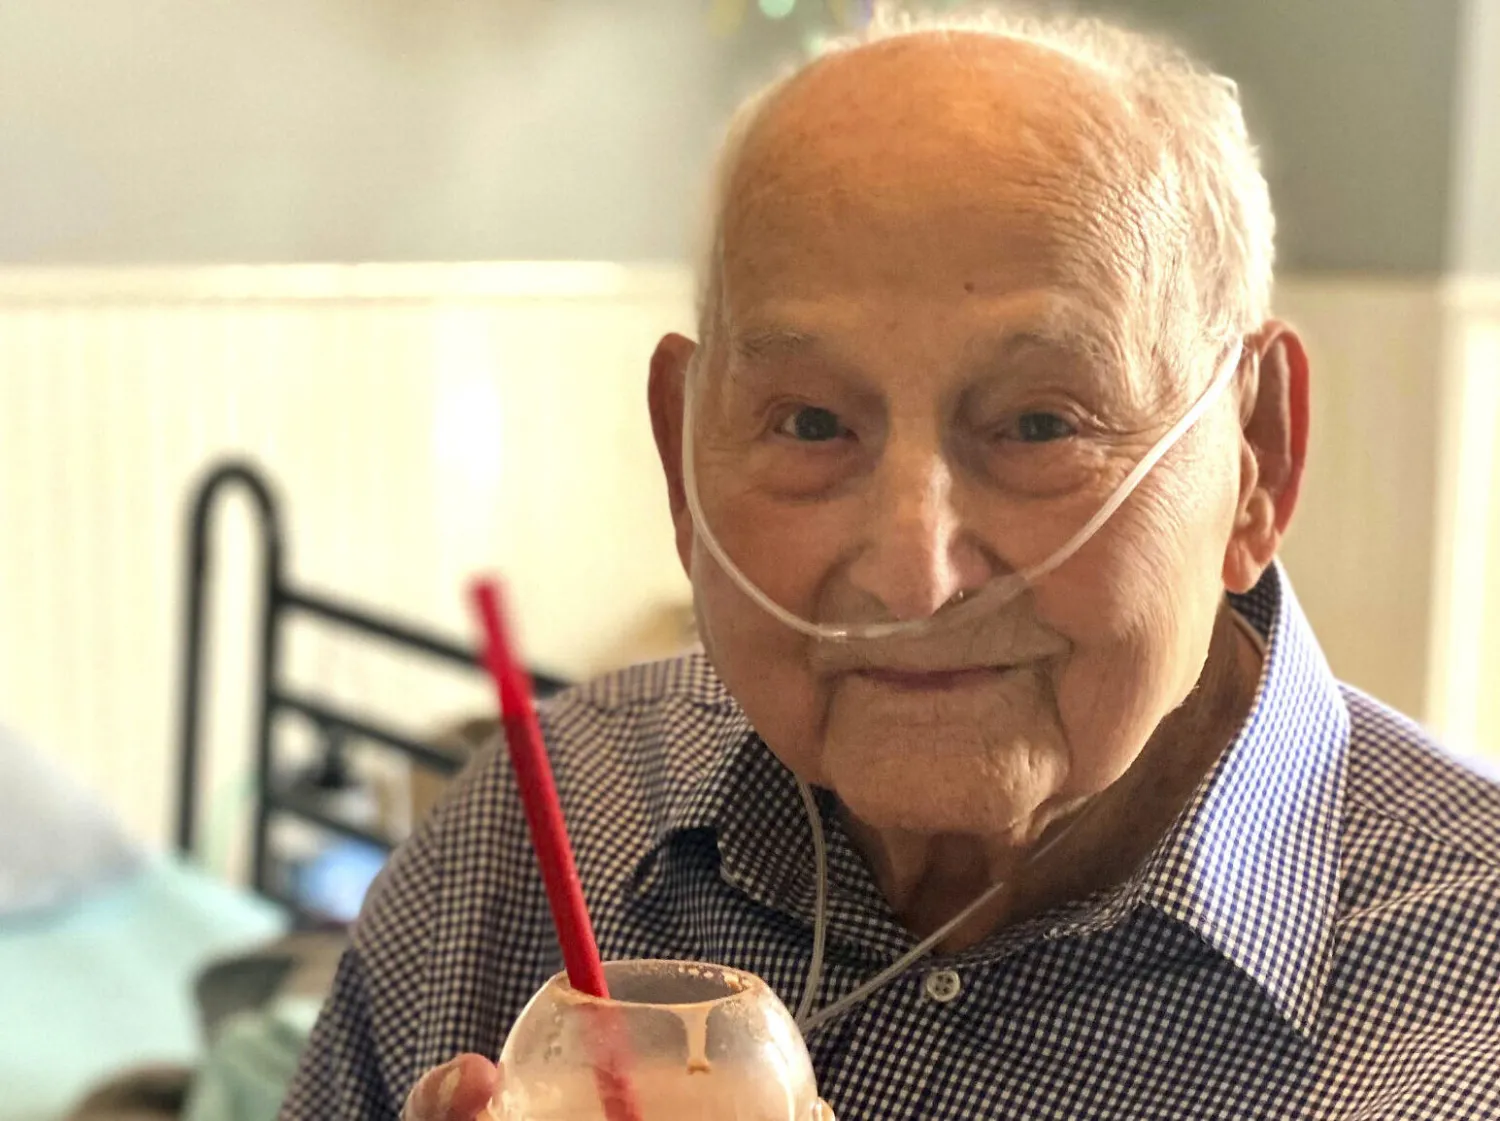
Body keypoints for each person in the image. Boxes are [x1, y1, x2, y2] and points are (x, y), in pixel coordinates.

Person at [282, 7, 1500, 1119]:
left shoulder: (1464, 1011)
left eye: (1040, 424)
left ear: (1258, 458)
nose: (914, 577)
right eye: (812, 424)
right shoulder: (520, 853)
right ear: (682, 463)